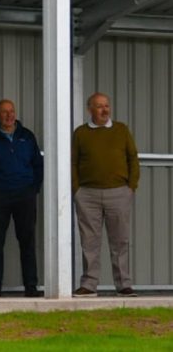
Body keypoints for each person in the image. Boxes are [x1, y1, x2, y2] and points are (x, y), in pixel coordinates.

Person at [72, 92, 140, 298]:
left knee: (120, 241)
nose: (104, 110)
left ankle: (123, 285)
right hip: (88, 194)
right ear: (89, 109)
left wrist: (131, 186)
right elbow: (72, 161)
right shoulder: (81, 133)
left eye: (107, 106)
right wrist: (77, 189)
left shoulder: (121, 130)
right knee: (89, 242)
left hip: (119, 192)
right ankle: (89, 284)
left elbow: (132, 158)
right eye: (99, 106)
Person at [0, 99, 43, 298]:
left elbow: (38, 165)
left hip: (25, 195)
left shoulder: (27, 136)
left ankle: (31, 287)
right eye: (4, 112)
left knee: (28, 241)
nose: (9, 115)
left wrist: (34, 188)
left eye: (11, 111)